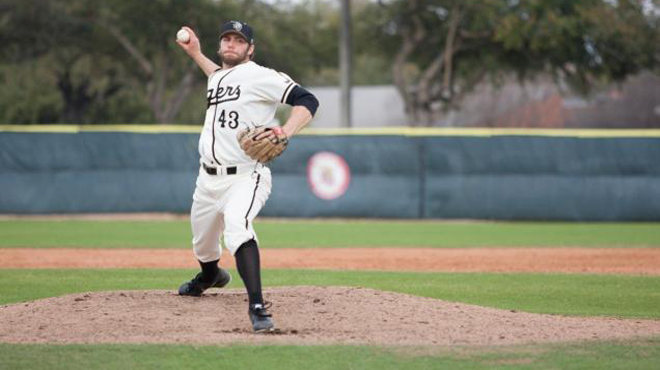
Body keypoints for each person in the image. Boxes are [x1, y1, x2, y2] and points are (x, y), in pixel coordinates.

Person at [175, 20, 319, 333]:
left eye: (239, 40)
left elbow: (308, 100)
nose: (231, 44)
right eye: (226, 38)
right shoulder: (218, 77)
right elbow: (217, 76)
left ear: (250, 49)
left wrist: (285, 130)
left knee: (238, 227)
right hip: (207, 179)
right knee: (203, 247)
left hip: (245, 176)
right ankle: (210, 276)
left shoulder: (261, 75)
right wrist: (196, 54)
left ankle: (257, 307)